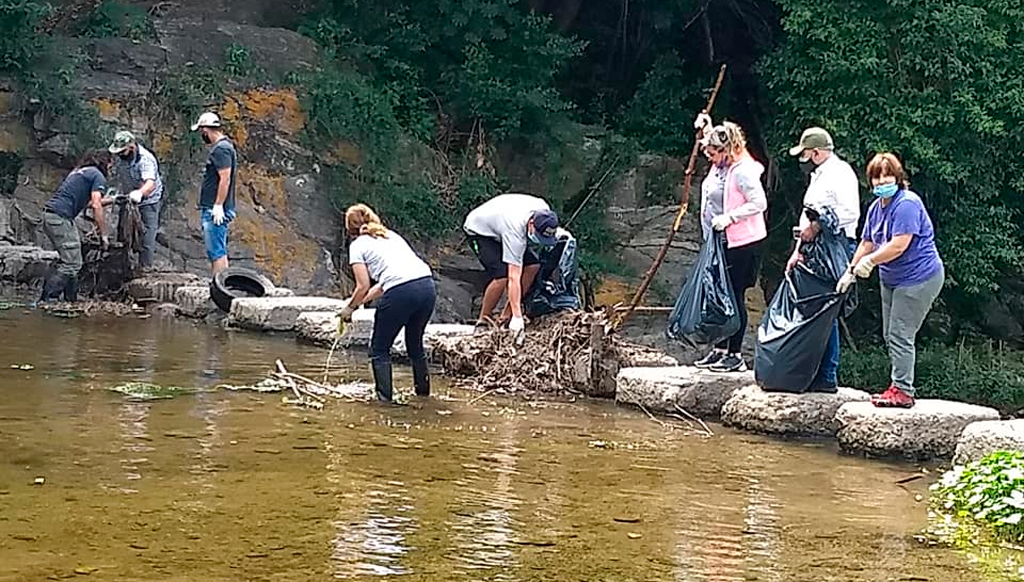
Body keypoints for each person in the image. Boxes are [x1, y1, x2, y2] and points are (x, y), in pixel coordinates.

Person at [836, 153, 944, 408]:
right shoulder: (876, 207)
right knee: (889, 334)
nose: (882, 181)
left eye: (887, 175)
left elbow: (899, 245)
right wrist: (850, 271)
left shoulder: (907, 204)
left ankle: (904, 391)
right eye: (877, 177)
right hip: (892, 278)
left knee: (900, 333)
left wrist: (871, 261)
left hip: (919, 277)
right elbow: (867, 242)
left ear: (898, 177)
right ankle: (896, 385)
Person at [786, 127, 861, 391]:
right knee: (812, 307)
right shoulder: (818, 176)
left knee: (826, 309)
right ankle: (812, 371)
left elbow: (850, 214)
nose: (804, 159)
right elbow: (807, 216)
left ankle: (827, 375)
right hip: (814, 249)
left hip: (836, 249)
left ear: (816, 152)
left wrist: (816, 228)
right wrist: (797, 250)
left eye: (805, 153)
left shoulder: (841, 174)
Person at [690, 121, 768, 373]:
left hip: (743, 243)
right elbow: (716, 138)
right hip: (720, 242)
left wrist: (731, 217)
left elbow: (759, 202)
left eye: (714, 153)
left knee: (733, 297)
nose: (710, 158)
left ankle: (735, 353)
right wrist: (706, 127)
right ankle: (720, 349)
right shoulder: (719, 166)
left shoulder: (742, 170)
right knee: (719, 295)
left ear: (727, 150)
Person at [338, 204, 436, 403]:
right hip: (427, 286)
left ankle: (384, 402)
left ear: (349, 229)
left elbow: (363, 285)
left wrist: (348, 309)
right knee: (415, 344)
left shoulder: (357, 246)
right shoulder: (390, 235)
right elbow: (384, 284)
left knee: (379, 350)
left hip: (401, 291)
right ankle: (424, 396)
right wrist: (358, 303)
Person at [463, 193, 560, 338]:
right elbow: (513, 277)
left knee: (533, 266)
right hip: (480, 231)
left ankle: (506, 317)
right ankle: (483, 320)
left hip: (503, 223)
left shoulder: (545, 212)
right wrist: (518, 317)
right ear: (531, 225)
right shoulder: (515, 232)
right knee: (501, 276)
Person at [39, 150, 113, 302]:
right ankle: (48, 300)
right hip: (60, 218)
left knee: (70, 260)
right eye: (111, 163)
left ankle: (70, 299)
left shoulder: (79, 172)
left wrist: (113, 199)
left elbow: (91, 202)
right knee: (72, 263)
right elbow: (96, 205)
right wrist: (103, 234)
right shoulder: (97, 175)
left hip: (51, 215)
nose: (111, 167)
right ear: (105, 162)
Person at [108, 130, 164, 269]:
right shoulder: (122, 158)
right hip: (128, 199)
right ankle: (122, 267)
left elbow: (150, 183)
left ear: (132, 147)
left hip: (148, 201)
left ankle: (145, 269)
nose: (119, 154)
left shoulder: (145, 159)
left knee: (146, 237)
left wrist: (140, 193)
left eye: (122, 151)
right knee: (123, 234)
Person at [192, 112, 237, 275]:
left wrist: (218, 205)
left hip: (215, 209)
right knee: (218, 249)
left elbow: (225, 179)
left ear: (205, 129)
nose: (201, 135)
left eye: (201, 132)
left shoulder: (221, 150)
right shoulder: (225, 147)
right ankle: (221, 285)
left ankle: (219, 287)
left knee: (216, 251)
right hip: (214, 206)